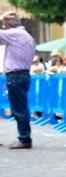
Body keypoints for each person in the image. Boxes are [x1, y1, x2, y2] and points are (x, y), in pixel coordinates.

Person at [0, 11, 36, 149]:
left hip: (16, 75)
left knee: (19, 109)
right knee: (21, 107)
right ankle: (24, 137)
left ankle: (24, 138)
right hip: (23, 74)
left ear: (6, 24)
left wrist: (2, 16)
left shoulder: (14, 34)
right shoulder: (26, 36)